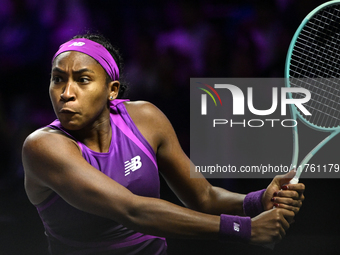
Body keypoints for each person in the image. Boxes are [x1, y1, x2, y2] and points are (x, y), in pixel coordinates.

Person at [22, 33, 305, 255]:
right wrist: (245, 229)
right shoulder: (43, 147)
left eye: (83, 80)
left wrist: (255, 201)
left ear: (112, 90)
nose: (66, 93)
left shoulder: (146, 119)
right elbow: (133, 210)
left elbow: (204, 197)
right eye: (58, 79)